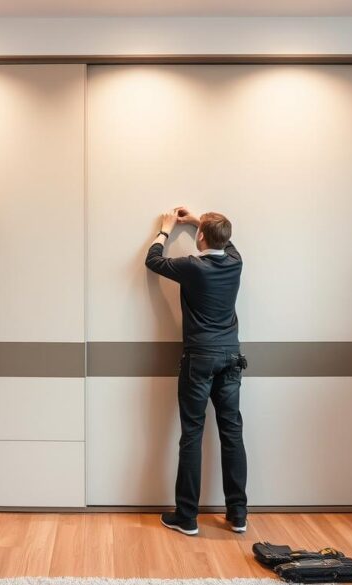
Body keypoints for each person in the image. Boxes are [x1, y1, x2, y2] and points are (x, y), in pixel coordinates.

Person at [145, 206, 248, 536]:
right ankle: (238, 514)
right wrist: (196, 221)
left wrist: (165, 229)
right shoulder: (235, 263)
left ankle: (187, 517)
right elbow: (226, 240)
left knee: (192, 434)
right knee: (231, 433)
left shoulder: (193, 267)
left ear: (200, 237)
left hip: (200, 359)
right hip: (231, 357)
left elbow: (153, 260)